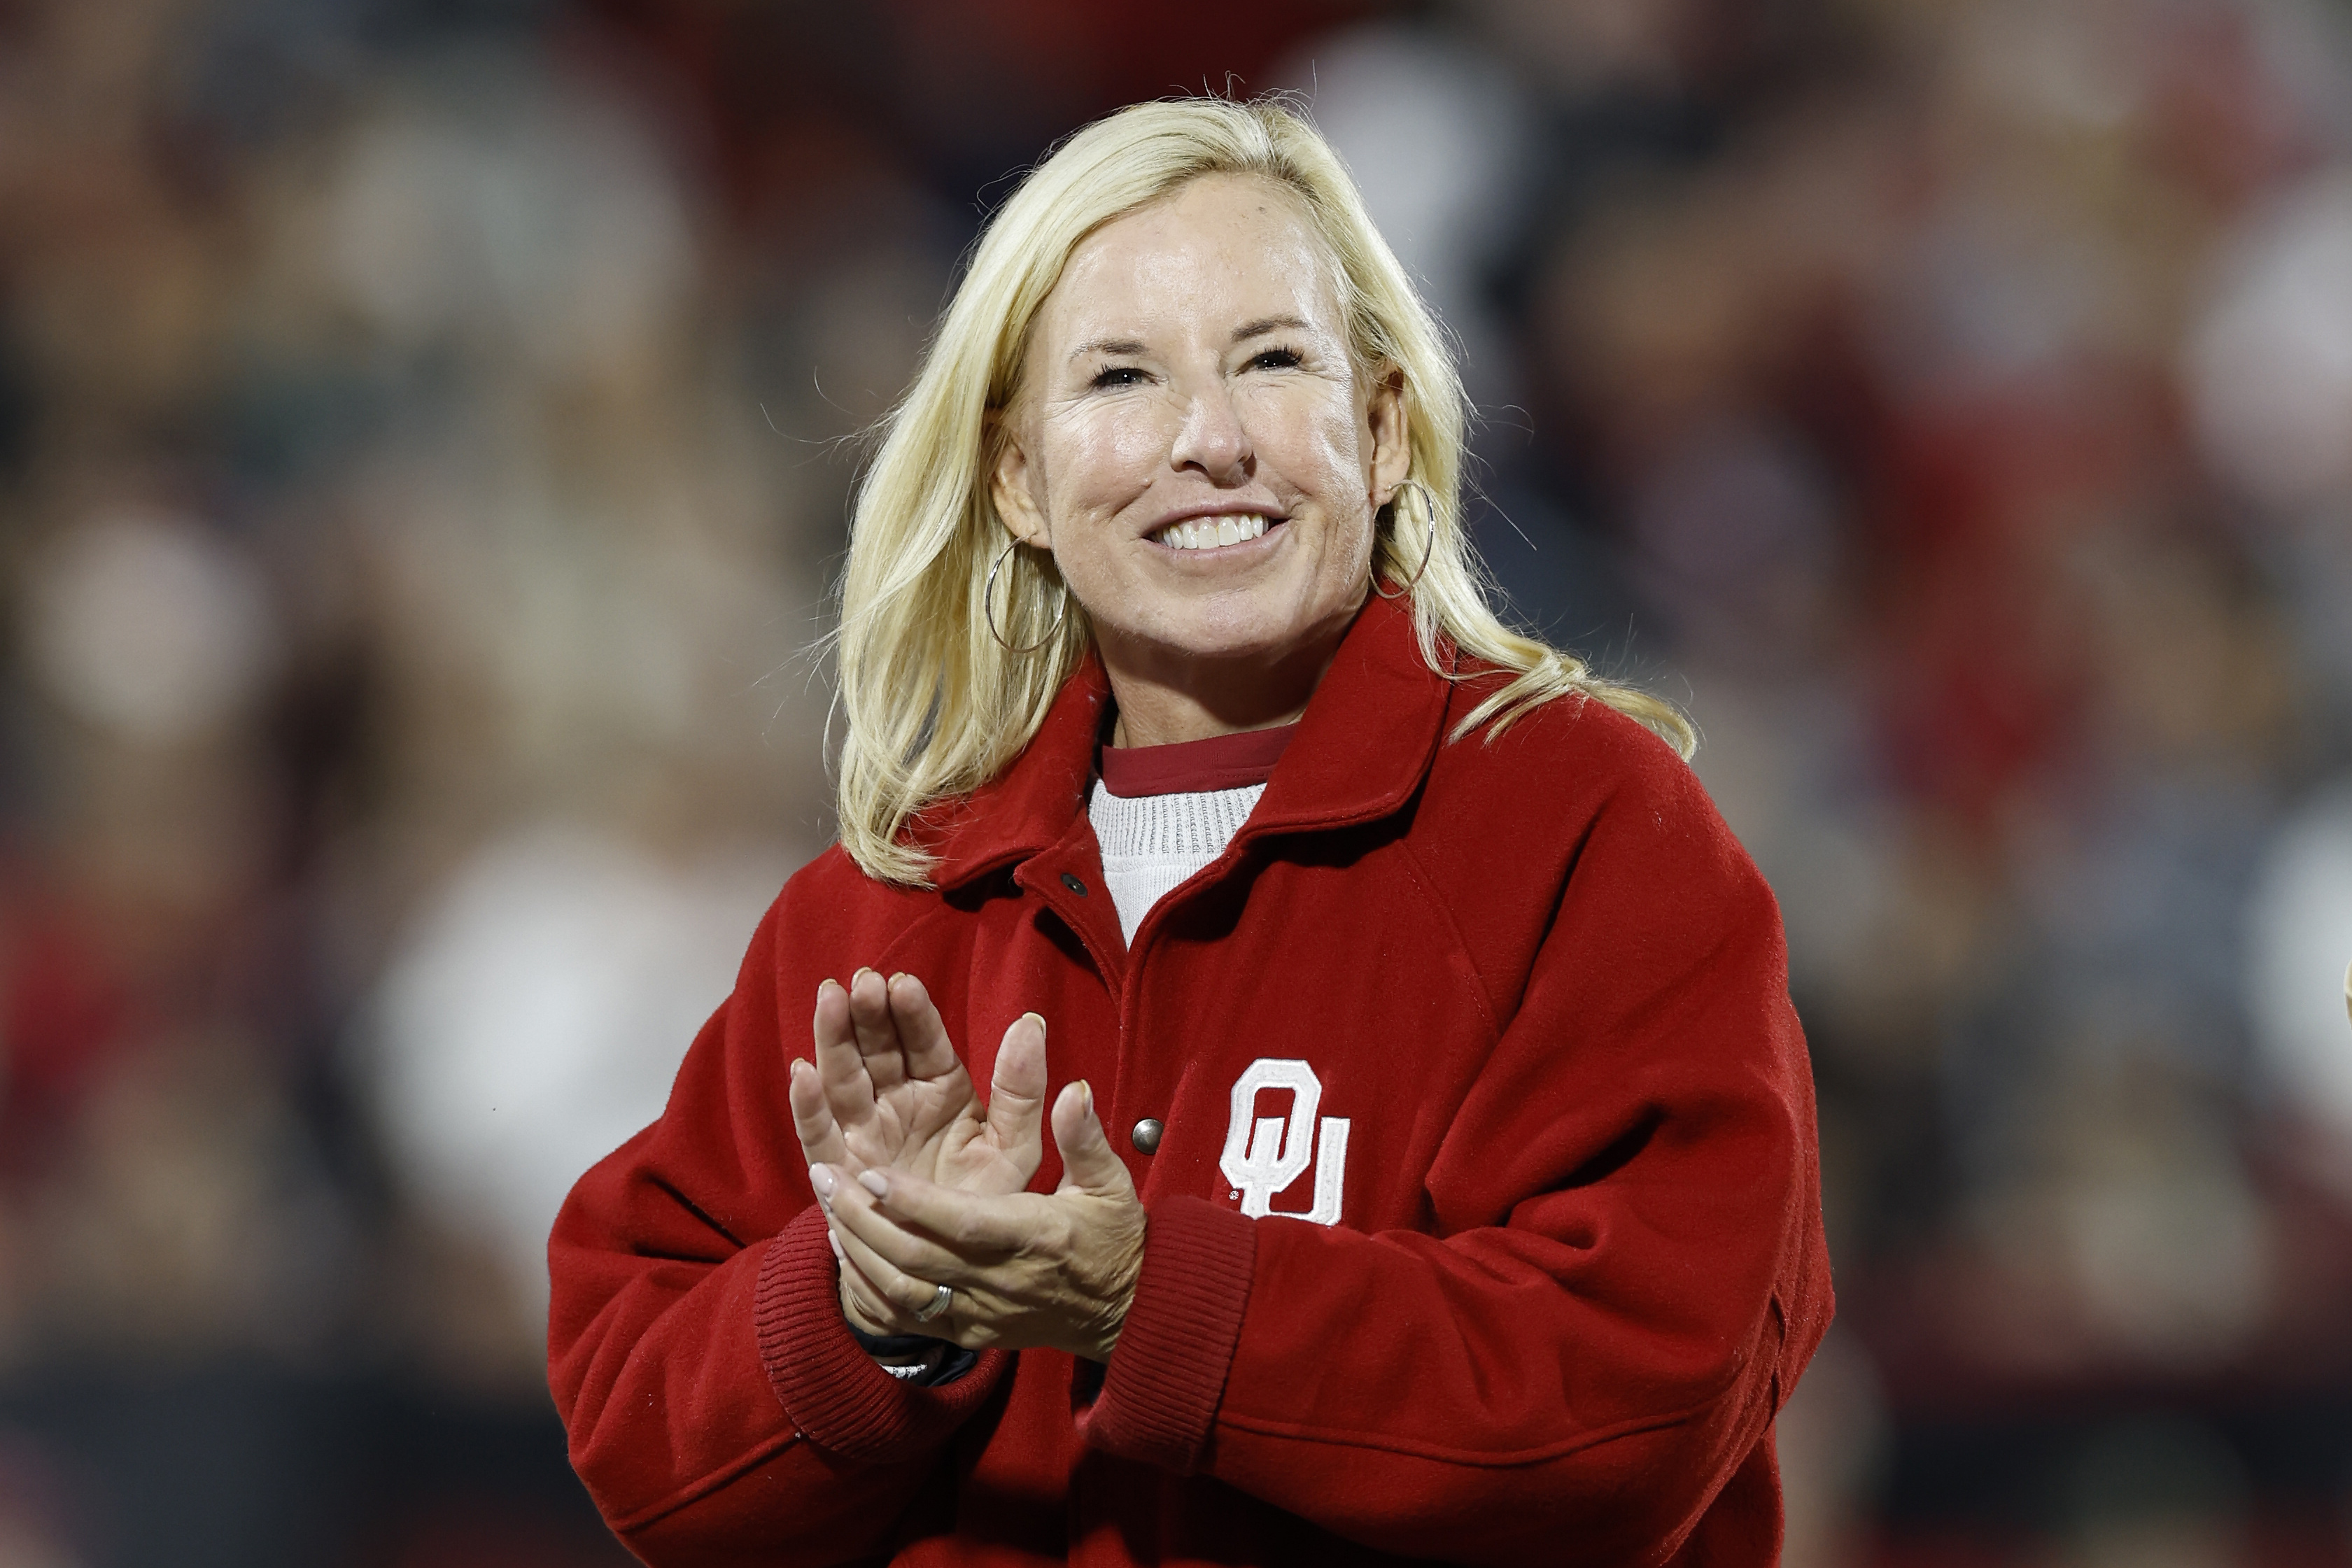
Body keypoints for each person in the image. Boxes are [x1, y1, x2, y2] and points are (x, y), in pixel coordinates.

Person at [548, 97, 1832, 1567]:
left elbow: (1639, 1403)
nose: (1208, 440)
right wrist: (875, 1299)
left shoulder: (1588, 824)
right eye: (1120, 377)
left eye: (1272, 359)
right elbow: (645, 1452)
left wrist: (1147, 1299)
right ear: (1018, 479)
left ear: (1384, 430)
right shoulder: (886, 904)